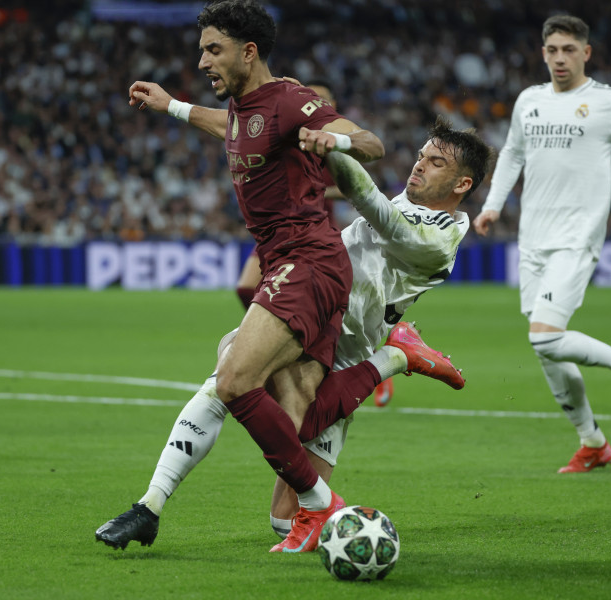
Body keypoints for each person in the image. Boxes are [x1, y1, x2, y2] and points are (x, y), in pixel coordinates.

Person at [123, 0, 443, 553]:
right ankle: (392, 360)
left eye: (212, 50)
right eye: (201, 50)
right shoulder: (248, 110)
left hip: (308, 263)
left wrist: (336, 140)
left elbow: (370, 141)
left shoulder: (292, 100)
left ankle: (322, 504)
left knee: (231, 378)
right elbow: (229, 125)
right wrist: (172, 105)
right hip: (289, 265)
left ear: (248, 52)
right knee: (293, 417)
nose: (202, 61)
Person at [96, 117, 494, 550]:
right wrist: (177, 108)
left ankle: (396, 357)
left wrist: (335, 147)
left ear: (461, 184)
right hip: (310, 309)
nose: (419, 166)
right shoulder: (411, 200)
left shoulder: (439, 238)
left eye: (435, 163)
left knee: (285, 520)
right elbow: (348, 187)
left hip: (348, 346)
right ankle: (149, 506)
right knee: (229, 373)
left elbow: (374, 206)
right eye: (421, 156)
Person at [473, 15, 611, 474]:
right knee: (548, 346)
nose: (560, 58)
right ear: (542, 53)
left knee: (544, 336)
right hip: (533, 240)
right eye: (552, 50)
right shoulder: (529, 101)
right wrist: (492, 204)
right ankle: (593, 442)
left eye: (569, 49)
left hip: (577, 237)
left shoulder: (607, 102)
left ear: (587, 53)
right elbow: (512, 154)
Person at [232, 79, 395, 407]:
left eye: (322, 100)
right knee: (244, 287)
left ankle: (373, 362)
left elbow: (361, 185)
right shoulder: (289, 130)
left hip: (314, 232)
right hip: (278, 233)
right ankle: (280, 343)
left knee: (347, 310)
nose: (313, 104)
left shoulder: (334, 142)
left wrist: (317, 188)